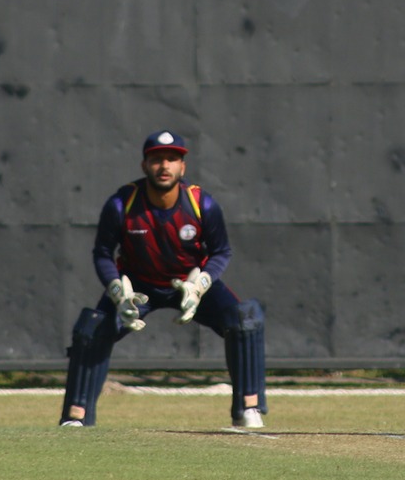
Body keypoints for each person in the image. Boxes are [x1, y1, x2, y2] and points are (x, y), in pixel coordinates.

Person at [62, 130, 267, 429]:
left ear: (182, 167)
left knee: (245, 319)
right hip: (137, 288)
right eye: (157, 159)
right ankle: (76, 418)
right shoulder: (122, 204)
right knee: (91, 330)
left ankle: (248, 409)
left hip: (190, 284)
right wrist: (118, 291)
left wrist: (201, 285)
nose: (164, 166)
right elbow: (103, 253)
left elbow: (221, 251)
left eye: (172, 159)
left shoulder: (202, 204)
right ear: (145, 165)